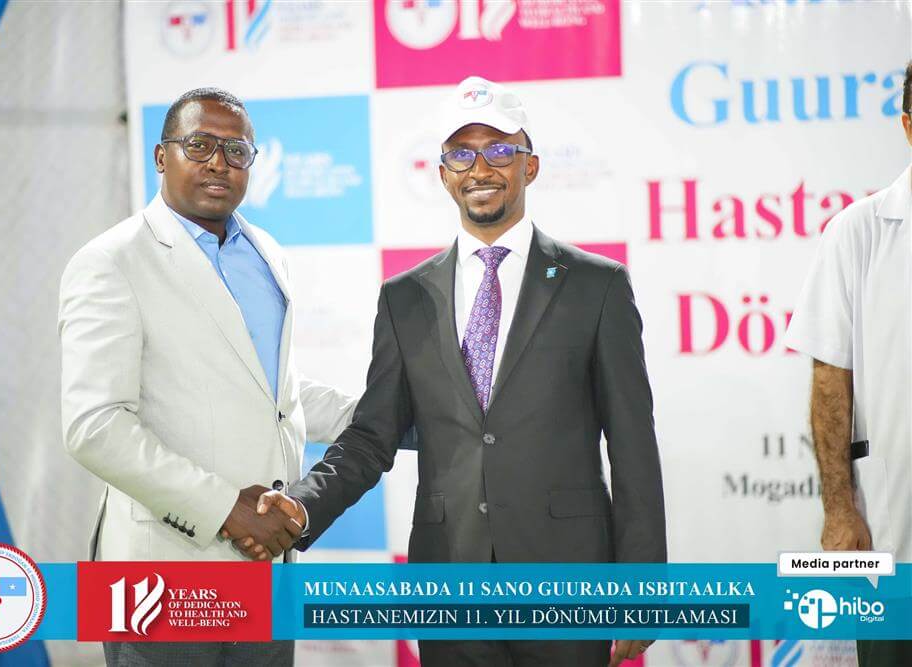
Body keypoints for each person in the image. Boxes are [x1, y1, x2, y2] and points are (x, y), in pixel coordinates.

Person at [254, 76, 666, 667]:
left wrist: (642, 585)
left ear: (530, 166)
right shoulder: (404, 297)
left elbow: (632, 445)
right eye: (462, 154)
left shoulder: (597, 286)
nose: (481, 168)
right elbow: (372, 435)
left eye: (499, 149)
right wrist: (301, 506)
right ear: (444, 173)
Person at [58, 87, 355, 666]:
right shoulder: (111, 261)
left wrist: (395, 415)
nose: (219, 162)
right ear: (161, 155)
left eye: (236, 150)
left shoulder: (266, 254)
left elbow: (275, 395)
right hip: (159, 580)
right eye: (199, 145)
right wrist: (225, 507)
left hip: (267, 576)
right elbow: (95, 426)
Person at [784, 62, 912, 667]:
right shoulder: (860, 232)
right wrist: (839, 509)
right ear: (908, 126)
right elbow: (830, 378)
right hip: (894, 538)